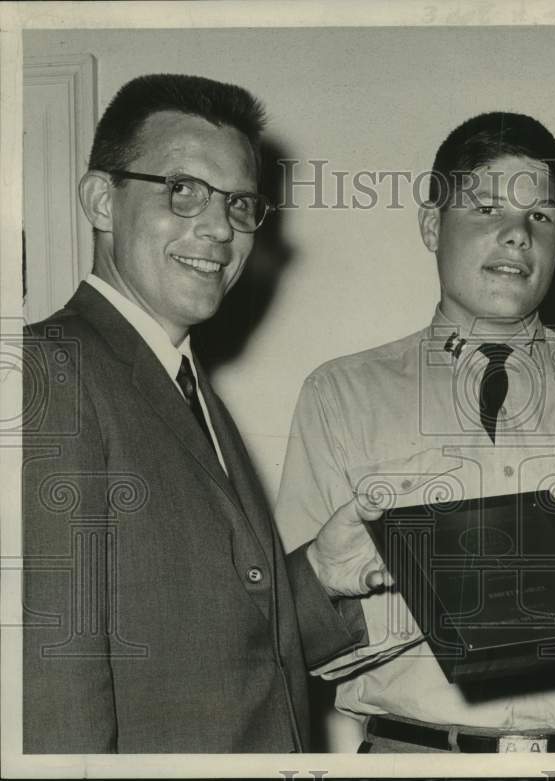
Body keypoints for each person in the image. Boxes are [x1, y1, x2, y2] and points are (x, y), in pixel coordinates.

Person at [275, 111, 555, 753]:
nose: (518, 234)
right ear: (432, 224)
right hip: (414, 760)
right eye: (488, 207)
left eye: (542, 217)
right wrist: (437, 602)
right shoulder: (338, 394)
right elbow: (291, 623)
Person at [21, 73, 388, 753]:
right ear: (102, 199)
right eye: (182, 190)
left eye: (240, 203)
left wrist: (318, 576)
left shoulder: (186, 385)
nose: (220, 227)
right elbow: (52, 695)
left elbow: (221, 658)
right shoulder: (48, 371)